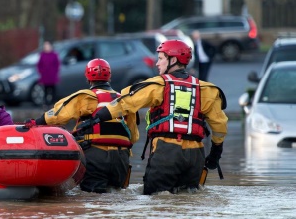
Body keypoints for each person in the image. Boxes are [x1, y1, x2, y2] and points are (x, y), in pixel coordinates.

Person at [77, 40, 228, 195]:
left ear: (173, 60)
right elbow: (220, 125)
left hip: (167, 152)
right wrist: (216, 153)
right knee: (186, 200)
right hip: (196, 155)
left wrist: (97, 118)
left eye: (161, 58)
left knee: (155, 199)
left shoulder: (158, 85)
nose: (157, 63)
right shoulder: (207, 89)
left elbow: (125, 102)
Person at [32, 59, 138, 193]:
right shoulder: (124, 100)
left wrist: (36, 122)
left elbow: (57, 115)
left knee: (92, 196)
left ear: (88, 78)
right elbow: (133, 136)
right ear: (109, 76)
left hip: (95, 155)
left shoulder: (85, 97)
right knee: (116, 195)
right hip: (121, 158)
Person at [37, 40, 60, 107]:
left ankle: (53, 102)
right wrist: (41, 71)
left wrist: (55, 72)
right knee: (45, 90)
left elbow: (57, 64)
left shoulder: (54, 55)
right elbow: (39, 65)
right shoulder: (42, 55)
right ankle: (46, 103)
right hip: (45, 76)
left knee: (53, 90)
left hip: (52, 75)